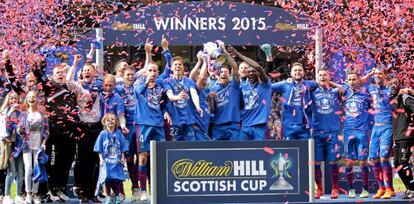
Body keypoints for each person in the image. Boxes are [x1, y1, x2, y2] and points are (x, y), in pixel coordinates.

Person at [33, 61, 80, 202]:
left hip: (71, 131)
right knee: (52, 161)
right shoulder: (50, 87)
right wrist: (39, 61)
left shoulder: (71, 88)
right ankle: (50, 190)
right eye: (57, 73)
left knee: (67, 161)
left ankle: (61, 189)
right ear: (52, 76)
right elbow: (38, 74)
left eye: (62, 72)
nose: (60, 74)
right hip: (55, 131)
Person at [66, 54, 103, 203]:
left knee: (96, 161)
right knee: (83, 160)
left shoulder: (101, 85)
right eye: (85, 70)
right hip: (83, 128)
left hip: (97, 128)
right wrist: (75, 63)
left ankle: (93, 193)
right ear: (81, 73)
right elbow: (68, 81)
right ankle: (81, 191)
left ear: (95, 73)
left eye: (90, 69)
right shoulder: (78, 86)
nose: (87, 71)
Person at [331, 70, 371, 198]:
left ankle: (365, 189)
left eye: (354, 79)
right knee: (348, 162)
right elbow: (335, 86)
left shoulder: (366, 94)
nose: (352, 81)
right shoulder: (345, 92)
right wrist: (327, 81)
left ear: (359, 81)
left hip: (363, 132)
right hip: (348, 131)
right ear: (347, 81)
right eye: (350, 79)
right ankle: (351, 189)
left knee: (363, 162)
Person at [310, 69, 341, 199]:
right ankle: (320, 189)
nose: (322, 77)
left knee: (333, 162)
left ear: (330, 77)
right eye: (320, 75)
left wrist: (329, 82)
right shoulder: (312, 92)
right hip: (317, 132)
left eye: (325, 75)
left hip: (333, 133)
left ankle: (335, 188)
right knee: (317, 162)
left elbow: (343, 88)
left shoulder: (335, 91)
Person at [229, 46, 271, 140]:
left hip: (260, 125)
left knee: (261, 152)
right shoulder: (242, 86)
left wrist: (239, 55)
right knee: (242, 152)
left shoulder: (264, 85)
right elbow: (234, 72)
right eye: (249, 72)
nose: (251, 73)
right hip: (245, 125)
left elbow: (259, 68)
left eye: (253, 71)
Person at [368, 68, 396, 199]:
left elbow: (400, 90)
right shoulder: (371, 88)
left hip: (387, 126)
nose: (377, 75)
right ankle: (381, 188)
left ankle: (390, 189)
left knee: (384, 157)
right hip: (375, 127)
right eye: (375, 74)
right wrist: (369, 73)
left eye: (380, 73)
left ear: (384, 75)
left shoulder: (390, 89)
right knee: (373, 158)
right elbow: (357, 83)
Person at [271, 62, 318, 140]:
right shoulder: (285, 84)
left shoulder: (308, 84)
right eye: (295, 70)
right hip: (288, 125)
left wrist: (338, 86)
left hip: (304, 125)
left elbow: (318, 83)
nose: (297, 72)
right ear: (291, 73)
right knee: (289, 150)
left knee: (305, 150)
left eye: (300, 70)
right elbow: (269, 87)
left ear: (303, 73)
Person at [18, 91, 49, 204]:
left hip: (38, 144)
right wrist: (20, 130)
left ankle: (35, 194)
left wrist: (44, 143)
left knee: (37, 169)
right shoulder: (23, 114)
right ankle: (28, 193)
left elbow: (46, 131)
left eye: (33, 97)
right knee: (28, 169)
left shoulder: (42, 114)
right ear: (27, 99)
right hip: (27, 145)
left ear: (37, 99)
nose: (31, 99)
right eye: (29, 97)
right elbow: (19, 130)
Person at [163, 54, 202, 141]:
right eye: (175, 64)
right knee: (174, 148)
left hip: (188, 120)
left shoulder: (189, 81)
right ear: (172, 68)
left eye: (180, 64)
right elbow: (170, 96)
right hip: (174, 120)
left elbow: (194, 93)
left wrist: (198, 106)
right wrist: (178, 97)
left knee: (190, 148)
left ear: (183, 67)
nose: (178, 66)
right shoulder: (167, 81)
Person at [94, 113, 128, 204]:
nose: (110, 121)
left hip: (117, 162)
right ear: (104, 122)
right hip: (106, 163)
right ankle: (108, 196)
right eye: (107, 119)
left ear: (116, 122)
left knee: (117, 179)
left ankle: (117, 196)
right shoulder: (102, 134)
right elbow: (99, 148)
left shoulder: (119, 134)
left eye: (112, 119)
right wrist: (101, 159)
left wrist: (123, 157)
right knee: (105, 179)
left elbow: (123, 146)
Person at [209, 45, 240, 140]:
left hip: (233, 125)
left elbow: (234, 67)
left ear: (229, 74)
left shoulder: (234, 85)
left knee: (235, 152)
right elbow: (212, 110)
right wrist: (211, 99)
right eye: (221, 72)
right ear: (218, 74)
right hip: (218, 125)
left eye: (226, 72)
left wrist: (224, 51)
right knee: (216, 153)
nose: (223, 73)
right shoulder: (213, 89)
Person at [0, 91, 25, 204]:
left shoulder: (21, 113)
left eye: (16, 99)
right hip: (8, 144)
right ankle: (7, 195)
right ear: (8, 100)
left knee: (20, 171)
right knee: (12, 171)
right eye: (12, 99)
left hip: (19, 144)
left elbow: (23, 127)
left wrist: (22, 129)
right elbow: (4, 128)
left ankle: (18, 195)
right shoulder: (4, 112)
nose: (14, 101)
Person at [392, 84, 414, 199]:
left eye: (395, 84)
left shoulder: (406, 98)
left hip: (406, 136)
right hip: (397, 137)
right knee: (397, 164)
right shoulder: (394, 102)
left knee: (403, 162)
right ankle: (409, 187)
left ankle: (412, 189)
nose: (393, 86)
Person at [189, 51, 212, 141]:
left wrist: (211, 99)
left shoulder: (207, 91)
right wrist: (205, 61)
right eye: (202, 78)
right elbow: (200, 77)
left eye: (206, 78)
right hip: (197, 129)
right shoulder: (194, 88)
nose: (204, 80)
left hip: (205, 129)